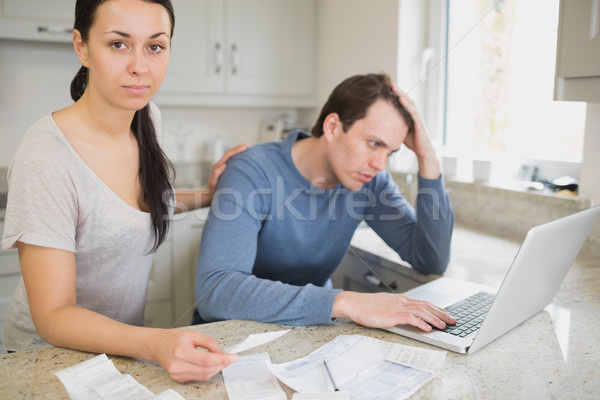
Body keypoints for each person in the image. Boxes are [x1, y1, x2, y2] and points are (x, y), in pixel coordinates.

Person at [1, 0, 245, 383]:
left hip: (120, 352)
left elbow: (141, 203)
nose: (140, 66)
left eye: (155, 46)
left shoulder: (147, 117)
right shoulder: (45, 157)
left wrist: (209, 194)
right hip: (47, 362)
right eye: (118, 43)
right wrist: (157, 343)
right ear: (81, 47)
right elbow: (53, 315)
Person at [195, 73, 456, 332]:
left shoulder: (370, 181)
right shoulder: (252, 170)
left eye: (390, 152)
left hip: (309, 332)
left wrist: (427, 157)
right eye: (373, 143)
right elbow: (217, 291)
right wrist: (345, 302)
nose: (379, 164)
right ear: (332, 127)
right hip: (234, 336)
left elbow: (430, 259)